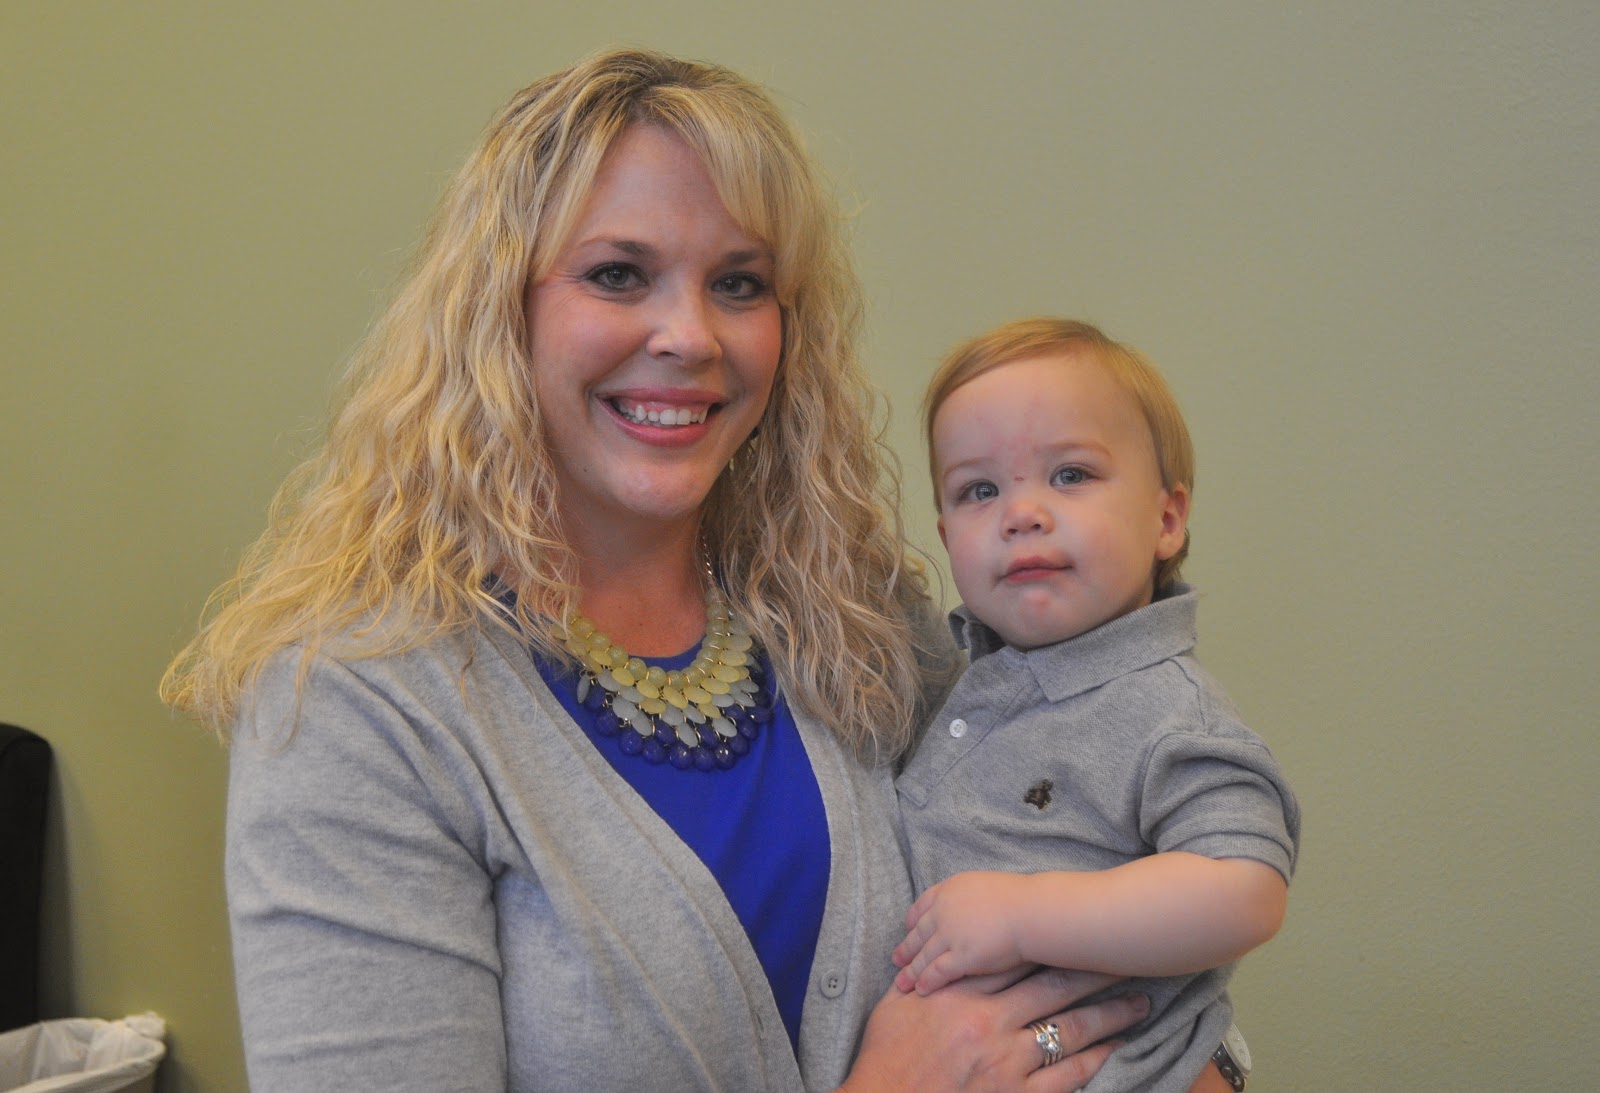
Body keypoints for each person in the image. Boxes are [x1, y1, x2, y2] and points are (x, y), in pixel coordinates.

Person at [160, 50, 1164, 1091]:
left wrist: (1197, 1057)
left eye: (739, 283)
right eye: (617, 274)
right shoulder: (356, 706)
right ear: (499, 312)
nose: (690, 336)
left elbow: (1108, 864)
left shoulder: (847, 607)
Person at [893, 319, 1301, 1091]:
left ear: (1166, 519)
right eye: (980, 490)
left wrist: (1022, 914)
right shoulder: (958, 677)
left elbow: (1246, 888)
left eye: (1071, 474)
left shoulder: (1165, 706)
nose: (1021, 512)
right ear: (946, 537)